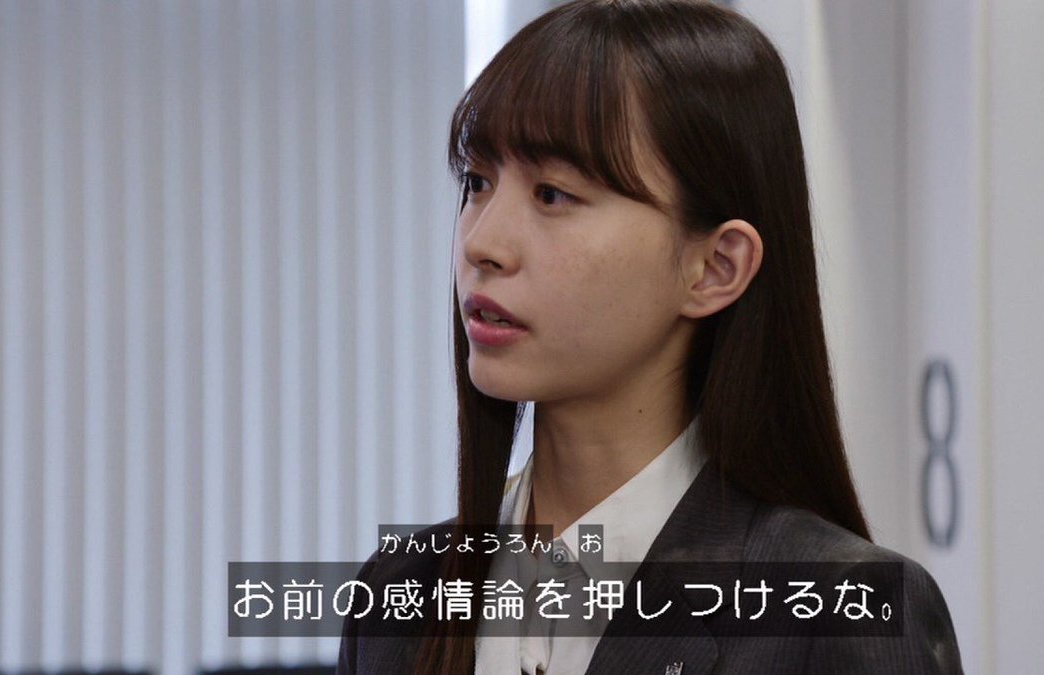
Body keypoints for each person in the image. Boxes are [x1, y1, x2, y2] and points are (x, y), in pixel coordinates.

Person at [337, 0, 963, 673]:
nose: (481, 242)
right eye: (478, 181)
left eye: (552, 194)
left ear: (715, 267)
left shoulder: (839, 613)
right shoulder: (397, 598)